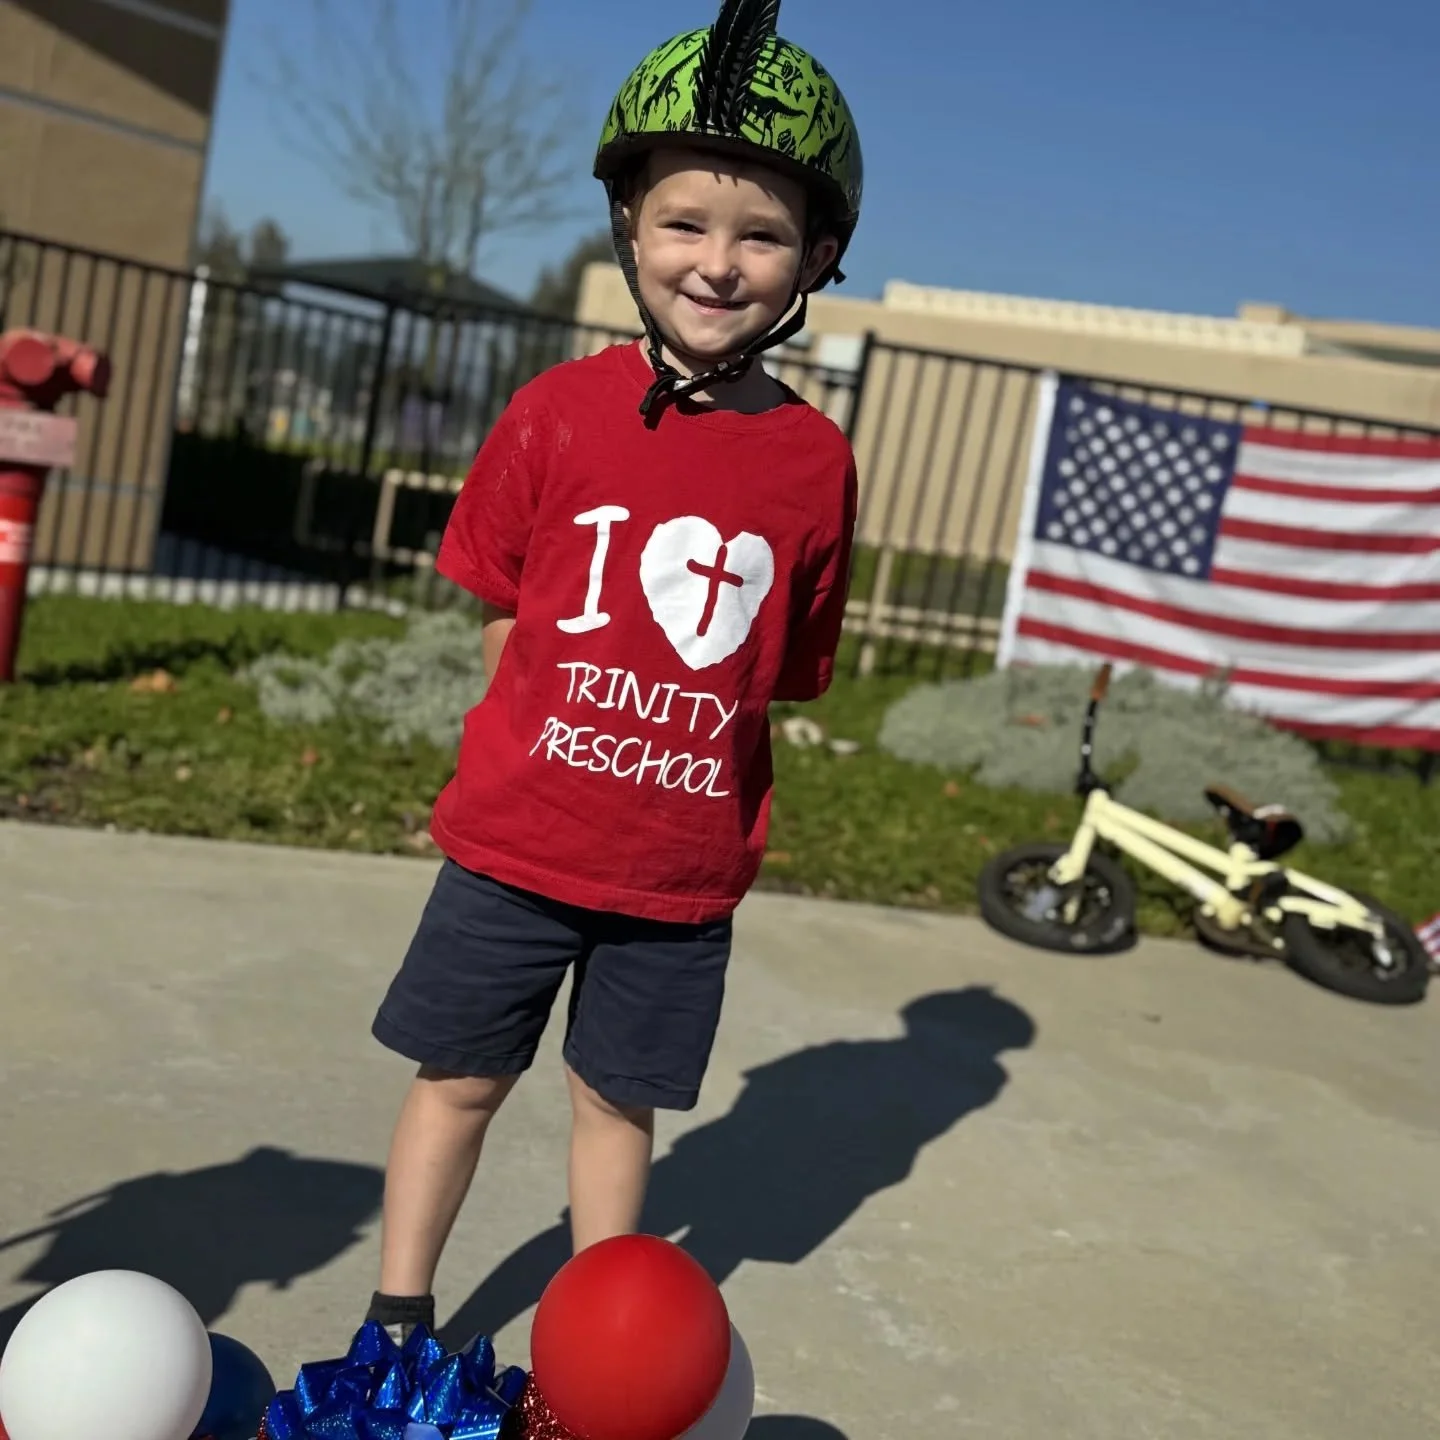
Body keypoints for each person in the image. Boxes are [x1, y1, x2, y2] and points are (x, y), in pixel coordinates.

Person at [362, 0, 866, 1345]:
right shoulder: (556, 412)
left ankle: (591, 1352)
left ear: (817, 254)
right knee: (457, 1081)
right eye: (686, 222)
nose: (718, 262)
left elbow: (780, 672)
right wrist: (537, 748)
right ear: (628, 228)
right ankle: (397, 1319)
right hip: (516, 845)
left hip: (675, 876)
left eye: (762, 233)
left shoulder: (816, 466)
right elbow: (505, 613)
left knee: (613, 1107)